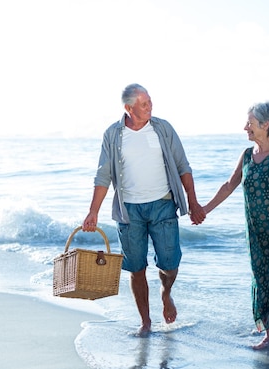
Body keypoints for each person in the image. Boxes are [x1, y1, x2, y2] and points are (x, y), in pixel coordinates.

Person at [82, 83, 206, 336]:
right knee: (136, 267)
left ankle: (166, 292)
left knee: (170, 264)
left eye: (150, 101)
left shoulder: (162, 128)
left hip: (163, 204)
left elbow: (183, 166)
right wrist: (93, 211)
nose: (150, 107)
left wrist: (193, 202)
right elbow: (103, 175)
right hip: (129, 211)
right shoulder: (113, 134)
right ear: (129, 108)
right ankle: (145, 321)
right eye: (144, 104)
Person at [203, 101, 269, 350]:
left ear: (265, 125)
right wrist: (203, 210)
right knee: (261, 278)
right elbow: (229, 185)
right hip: (256, 232)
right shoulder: (247, 155)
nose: (245, 128)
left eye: (249, 123)